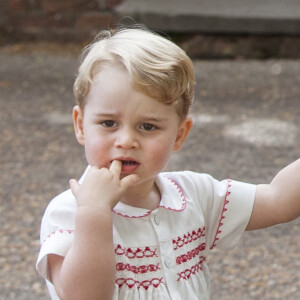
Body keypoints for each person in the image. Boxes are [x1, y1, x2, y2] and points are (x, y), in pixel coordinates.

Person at [36, 26, 300, 300]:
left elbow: (278, 200)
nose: (126, 140)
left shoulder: (193, 194)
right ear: (80, 125)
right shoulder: (68, 212)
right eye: (108, 123)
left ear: (179, 135)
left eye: (147, 126)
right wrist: (94, 212)